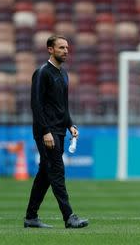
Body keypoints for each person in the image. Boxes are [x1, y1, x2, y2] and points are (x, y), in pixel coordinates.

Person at [24, 35, 89, 229]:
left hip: (60, 130)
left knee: (45, 173)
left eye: (67, 47)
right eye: (61, 47)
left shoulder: (64, 74)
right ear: (50, 50)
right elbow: (36, 104)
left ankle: (30, 217)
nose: (66, 50)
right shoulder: (42, 72)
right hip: (47, 132)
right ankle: (69, 217)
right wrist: (45, 131)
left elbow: (63, 106)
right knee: (57, 172)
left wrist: (70, 124)